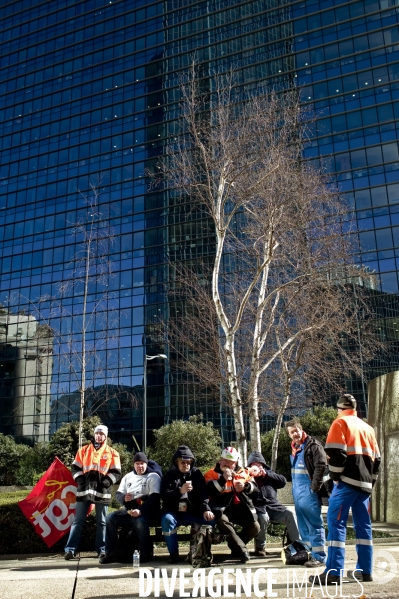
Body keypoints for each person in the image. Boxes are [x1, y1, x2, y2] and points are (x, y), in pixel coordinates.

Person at [310, 394, 381, 585]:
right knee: (364, 527)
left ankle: (333, 573)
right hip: (364, 487)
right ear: (355, 409)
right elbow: (377, 460)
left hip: (347, 484)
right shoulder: (368, 428)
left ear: (339, 409)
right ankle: (365, 571)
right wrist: (370, 483)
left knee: (336, 524)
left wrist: (335, 478)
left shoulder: (339, 423)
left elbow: (335, 452)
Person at [64, 424, 121, 560]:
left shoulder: (113, 453)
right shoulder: (83, 451)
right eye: (97, 433)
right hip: (84, 490)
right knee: (78, 521)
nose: (99, 436)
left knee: (102, 522)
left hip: (102, 491)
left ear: (106, 436)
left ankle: (101, 550)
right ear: (94, 435)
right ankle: (70, 550)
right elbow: (75, 468)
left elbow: (117, 472)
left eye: (102, 434)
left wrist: (106, 483)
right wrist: (81, 480)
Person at [99, 452, 161, 564]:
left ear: (146, 464)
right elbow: (118, 494)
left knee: (140, 521)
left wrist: (140, 510)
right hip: (130, 510)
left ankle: (145, 553)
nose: (140, 466)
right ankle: (109, 553)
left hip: (147, 511)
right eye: (137, 463)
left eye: (142, 463)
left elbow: (154, 498)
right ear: (134, 464)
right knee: (109, 518)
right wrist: (124, 498)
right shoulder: (128, 477)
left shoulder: (153, 476)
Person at [204, 446, 260, 563]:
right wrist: (222, 480)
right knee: (223, 522)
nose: (228, 464)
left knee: (255, 527)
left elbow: (256, 490)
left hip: (240, 508)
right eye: (226, 461)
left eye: (232, 462)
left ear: (236, 463)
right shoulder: (211, 473)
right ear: (220, 460)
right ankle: (243, 550)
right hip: (221, 509)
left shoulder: (244, 472)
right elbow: (210, 492)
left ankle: (235, 546)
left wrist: (246, 487)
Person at [161, 445, 214, 564]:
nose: (186, 465)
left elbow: (203, 494)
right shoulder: (170, 474)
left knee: (210, 519)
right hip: (175, 512)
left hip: (194, 512)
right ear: (176, 462)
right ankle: (173, 554)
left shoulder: (196, 474)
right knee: (166, 520)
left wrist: (206, 509)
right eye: (183, 462)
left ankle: (202, 552)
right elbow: (164, 494)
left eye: (188, 462)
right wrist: (179, 491)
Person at [285, 419, 327, 568]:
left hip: (308, 491)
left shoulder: (312, 445)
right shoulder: (295, 447)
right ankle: (308, 553)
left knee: (314, 525)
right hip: (298, 492)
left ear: (301, 429)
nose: (295, 434)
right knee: (303, 526)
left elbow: (321, 465)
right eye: (291, 432)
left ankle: (320, 557)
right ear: (289, 435)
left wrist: (314, 488)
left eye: (296, 430)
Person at [247, 450, 300, 557]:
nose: (256, 466)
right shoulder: (246, 475)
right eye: (254, 464)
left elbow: (283, 481)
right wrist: (249, 476)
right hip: (258, 508)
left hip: (275, 508)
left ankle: (296, 546)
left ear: (263, 465)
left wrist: (266, 475)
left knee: (290, 514)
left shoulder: (269, 474)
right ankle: (260, 547)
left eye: (259, 464)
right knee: (263, 517)